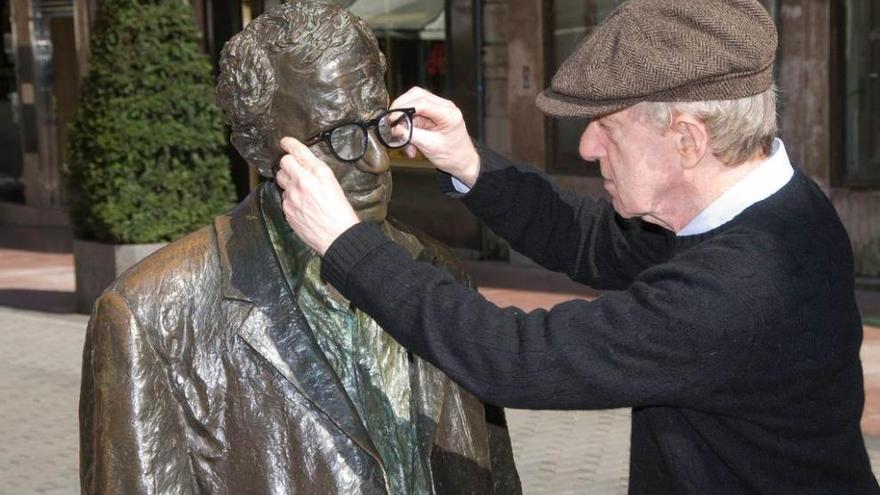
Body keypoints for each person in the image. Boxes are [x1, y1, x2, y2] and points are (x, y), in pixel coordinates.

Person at [274, 0, 880, 492]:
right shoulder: (771, 205)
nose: (588, 147)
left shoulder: (739, 289)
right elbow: (592, 241)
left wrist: (346, 243)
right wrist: (469, 163)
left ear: (688, 140)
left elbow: (517, 360)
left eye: (608, 128)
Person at [78, 2, 520, 494]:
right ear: (255, 147)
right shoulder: (151, 315)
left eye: (380, 123)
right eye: (337, 137)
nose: (377, 161)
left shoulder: (437, 269)